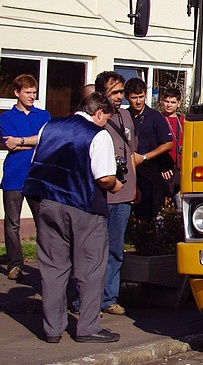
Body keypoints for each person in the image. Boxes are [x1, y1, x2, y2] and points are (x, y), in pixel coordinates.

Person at [23, 92, 123, 343]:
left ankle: (52, 329)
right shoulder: (98, 134)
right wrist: (116, 185)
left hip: (47, 203)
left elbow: (37, 162)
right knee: (91, 268)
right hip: (83, 205)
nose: (105, 124)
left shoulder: (49, 126)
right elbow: (103, 177)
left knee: (53, 268)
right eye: (106, 118)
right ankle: (88, 327)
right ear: (98, 112)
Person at [95, 71, 138, 316]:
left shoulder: (125, 117)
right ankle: (85, 298)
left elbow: (131, 153)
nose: (120, 97)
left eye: (122, 92)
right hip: (102, 193)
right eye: (115, 93)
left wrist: (134, 186)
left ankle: (109, 298)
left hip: (123, 194)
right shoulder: (96, 117)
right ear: (103, 94)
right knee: (93, 249)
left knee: (115, 249)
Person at [1, 74, 51, 281]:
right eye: (28, 92)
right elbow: (8, 143)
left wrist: (21, 140)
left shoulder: (43, 115)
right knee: (12, 224)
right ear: (17, 93)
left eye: (34, 92)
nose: (32, 96)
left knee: (44, 223)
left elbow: (46, 139)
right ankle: (15, 264)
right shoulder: (6, 118)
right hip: (14, 176)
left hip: (37, 177)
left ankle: (47, 265)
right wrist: (33, 140)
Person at [124, 78, 173, 222]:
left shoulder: (155, 117)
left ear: (146, 95)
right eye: (134, 98)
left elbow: (168, 144)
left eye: (141, 97)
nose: (138, 101)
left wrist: (144, 157)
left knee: (151, 210)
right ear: (128, 97)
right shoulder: (124, 116)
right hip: (130, 170)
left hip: (151, 170)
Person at [160, 86, 184, 203]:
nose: (169, 105)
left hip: (180, 171)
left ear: (179, 103)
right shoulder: (158, 119)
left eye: (173, 102)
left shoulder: (183, 121)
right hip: (163, 170)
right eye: (167, 101)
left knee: (180, 208)